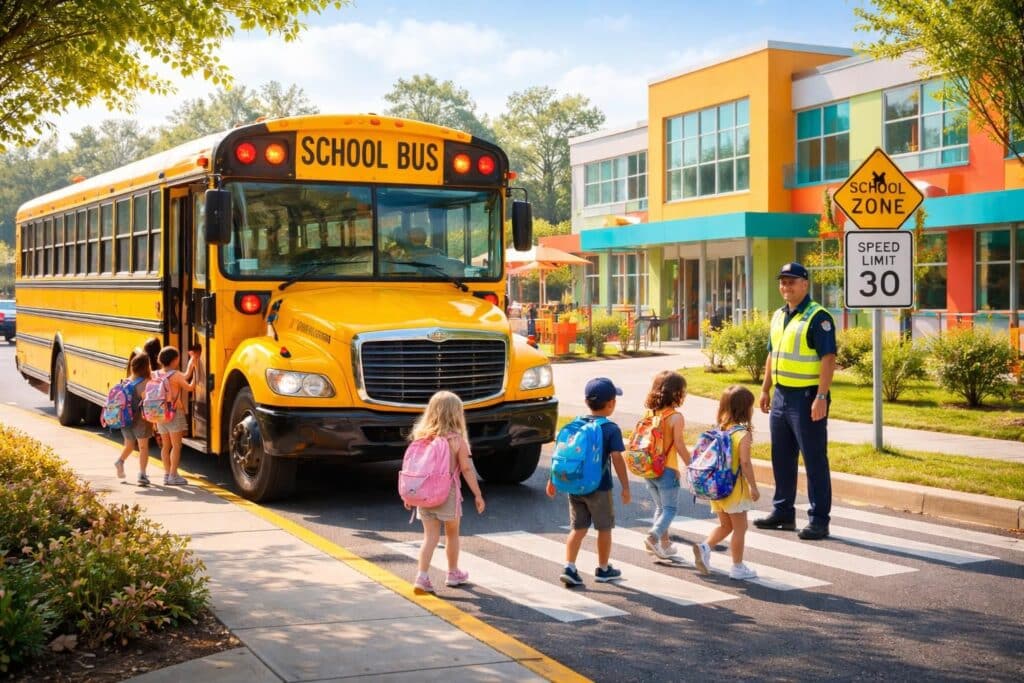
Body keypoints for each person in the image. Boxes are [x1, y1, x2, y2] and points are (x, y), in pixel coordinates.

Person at [755, 262, 836, 540]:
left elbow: (828, 358)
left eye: (792, 282)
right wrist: (765, 389)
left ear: (805, 284)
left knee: (814, 460)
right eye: (783, 282)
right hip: (780, 396)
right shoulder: (778, 316)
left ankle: (819, 519)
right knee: (781, 458)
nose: (786, 287)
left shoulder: (818, 317)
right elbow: (772, 353)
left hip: (807, 397)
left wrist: (821, 397)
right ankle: (783, 512)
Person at [546, 377, 631, 586]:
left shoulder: (575, 425)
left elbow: (561, 455)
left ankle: (570, 566)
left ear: (586, 402)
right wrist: (626, 487)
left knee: (578, 528)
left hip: (573, 485)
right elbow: (618, 459)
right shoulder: (610, 429)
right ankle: (603, 569)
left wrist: (552, 480)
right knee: (604, 529)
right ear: (611, 404)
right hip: (599, 488)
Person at [408, 391, 485, 595]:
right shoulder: (456, 440)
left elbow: (413, 468)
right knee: (452, 534)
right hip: (447, 493)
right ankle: (452, 573)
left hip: (424, 494)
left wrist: (408, 494)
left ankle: (422, 576)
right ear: (456, 414)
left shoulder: (422, 438)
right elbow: (467, 469)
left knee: (429, 537)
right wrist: (477, 494)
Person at [692, 385, 761, 580]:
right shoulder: (742, 434)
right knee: (740, 528)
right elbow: (745, 463)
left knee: (725, 526)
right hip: (734, 489)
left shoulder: (718, 430)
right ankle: (737, 567)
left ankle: (705, 547)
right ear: (745, 409)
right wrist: (754, 487)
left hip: (716, 487)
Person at [640, 371, 690, 559]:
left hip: (648, 469)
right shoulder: (676, 417)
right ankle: (653, 538)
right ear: (676, 394)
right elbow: (679, 444)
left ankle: (665, 545)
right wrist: (690, 465)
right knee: (670, 509)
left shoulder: (649, 413)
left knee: (660, 508)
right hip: (666, 470)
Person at [156, 345, 200, 486]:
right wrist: (197, 369)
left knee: (165, 446)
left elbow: (185, 374)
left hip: (159, 413)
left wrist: (191, 363)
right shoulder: (175, 375)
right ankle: (174, 475)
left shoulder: (156, 374)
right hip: (174, 413)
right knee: (176, 446)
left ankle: (167, 474)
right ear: (175, 360)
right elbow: (190, 386)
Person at [113, 353, 155, 486]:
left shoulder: (126, 381)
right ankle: (142, 474)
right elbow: (148, 402)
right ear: (146, 367)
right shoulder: (146, 383)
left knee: (129, 445)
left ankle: (120, 461)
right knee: (143, 447)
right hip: (141, 421)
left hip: (125, 420)